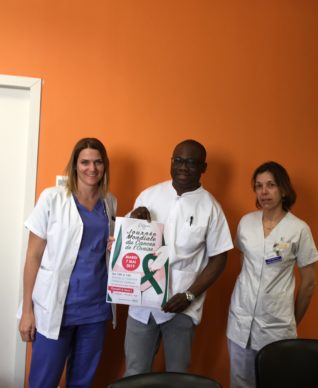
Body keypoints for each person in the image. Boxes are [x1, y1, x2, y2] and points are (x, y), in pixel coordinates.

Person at [124, 139, 233, 375]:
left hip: (181, 304)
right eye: (179, 160)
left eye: (191, 162)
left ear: (203, 168)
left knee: (178, 375)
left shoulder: (210, 207)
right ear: (171, 162)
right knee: (134, 373)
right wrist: (133, 220)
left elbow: (219, 259)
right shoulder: (148, 196)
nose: (183, 167)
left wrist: (190, 295)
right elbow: (126, 246)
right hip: (142, 303)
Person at [18, 137, 117, 388]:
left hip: (95, 309)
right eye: (85, 162)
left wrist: (115, 247)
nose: (92, 168)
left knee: (82, 382)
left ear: (104, 166)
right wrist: (27, 310)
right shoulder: (52, 198)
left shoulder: (109, 202)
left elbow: (101, 252)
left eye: (98, 162)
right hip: (56, 308)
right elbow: (33, 256)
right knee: (43, 381)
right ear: (74, 165)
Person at [227, 161, 318, 388]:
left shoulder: (299, 229)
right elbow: (245, 263)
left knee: (276, 381)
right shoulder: (246, 222)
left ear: (284, 190)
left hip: (277, 325)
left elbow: (309, 283)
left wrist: (291, 320)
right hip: (240, 320)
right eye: (259, 186)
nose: (264, 192)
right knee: (240, 382)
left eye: (271, 185)